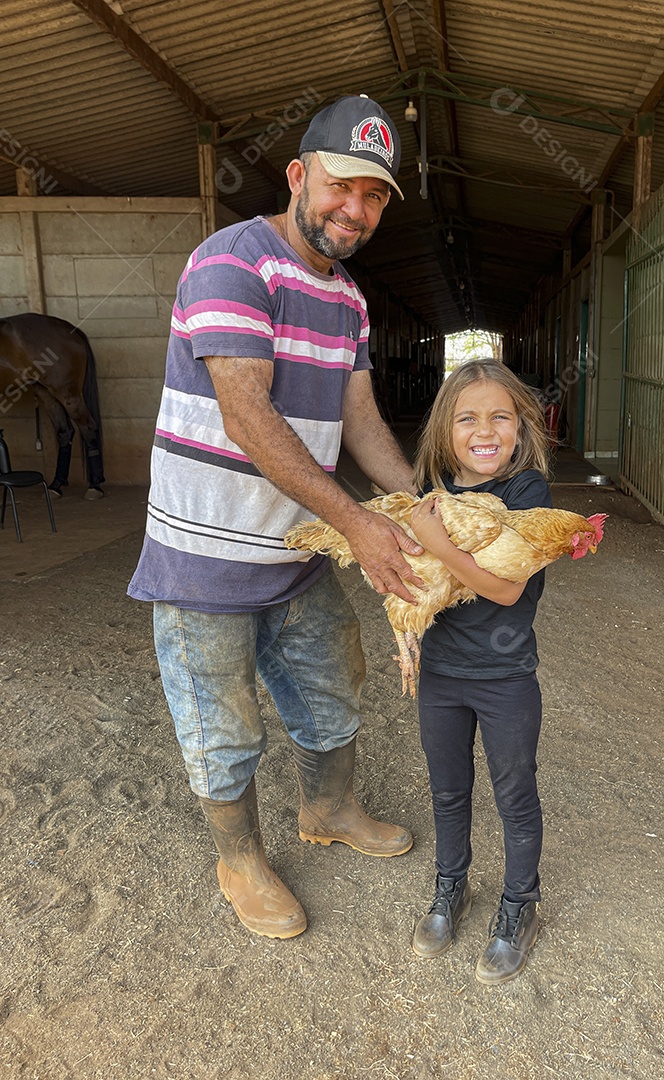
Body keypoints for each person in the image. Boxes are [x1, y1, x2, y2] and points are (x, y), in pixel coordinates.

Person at [127, 95, 425, 940]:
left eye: (374, 198)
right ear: (298, 175)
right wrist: (361, 525)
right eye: (342, 187)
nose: (355, 211)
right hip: (203, 556)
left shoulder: (349, 299)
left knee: (334, 684)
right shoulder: (233, 263)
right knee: (223, 721)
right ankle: (240, 859)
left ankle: (329, 809)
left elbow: (361, 420)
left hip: (295, 549)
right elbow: (247, 416)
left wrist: (413, 504)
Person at [407, 359, 551, 985]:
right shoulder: (431, 493)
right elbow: (417, 583)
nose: (484, 430)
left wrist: (435, 540)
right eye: (468, 418)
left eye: (500, 416)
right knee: (447, 790)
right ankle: (451, 887)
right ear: (445, 429)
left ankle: (520, 906)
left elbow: (508, 591)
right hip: (441, 674)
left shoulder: (527, 494)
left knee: (515, 795)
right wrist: (404, 633)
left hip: (505, 676)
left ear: (520, 427)